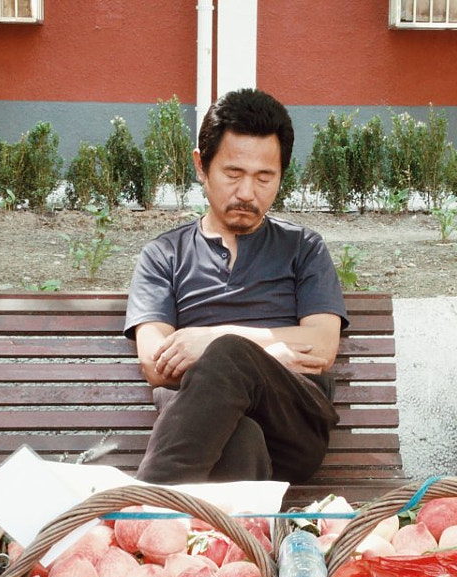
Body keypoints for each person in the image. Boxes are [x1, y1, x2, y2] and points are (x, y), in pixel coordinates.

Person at [124, 88, 348, 484]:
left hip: (292, 428)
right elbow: (155, 363)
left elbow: (321, 346)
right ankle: (217, 523)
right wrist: (273, 352)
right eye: (233, 174)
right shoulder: (164, 255)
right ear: (201, 166)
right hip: (207, 433)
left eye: (264, 177)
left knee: (229, 352)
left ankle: (148, 501)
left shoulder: (304, 248)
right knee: (241, 438)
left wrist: (216, 343)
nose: (247, 193)